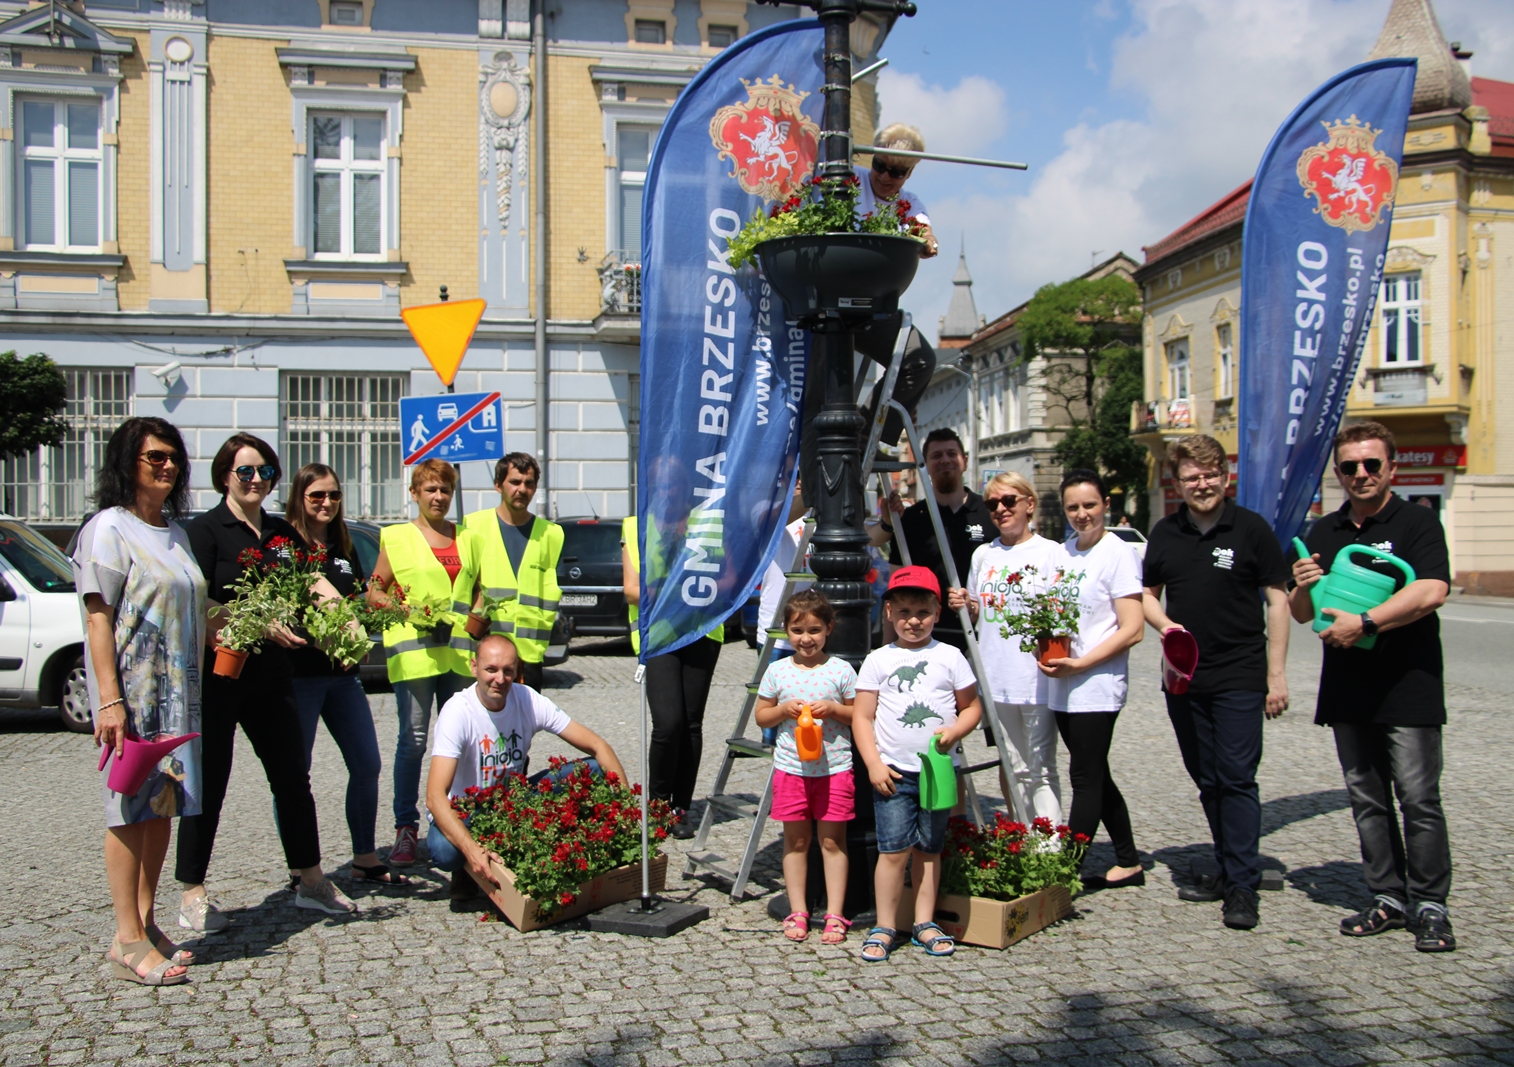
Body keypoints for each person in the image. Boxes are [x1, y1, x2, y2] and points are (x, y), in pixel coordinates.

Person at [1289, 421, 1454, 953]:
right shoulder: (1325, 530)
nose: (1360, 474)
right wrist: (1302, 588)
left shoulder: (1416, 523)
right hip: (1348, 687)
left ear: (1391, 468)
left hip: (1409, 683)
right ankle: (1388, 897)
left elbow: (1431, 590)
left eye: (1371, 465)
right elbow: (1300, 613)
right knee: (1367, 799)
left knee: (1418, 798)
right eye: (1349, 467)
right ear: (1338, 473)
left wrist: (1367, 623)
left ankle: (1431, 904)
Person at [177, 434, 355, 925]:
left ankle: (311, 879)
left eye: (266, 473)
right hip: (223, 674)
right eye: (246, 472)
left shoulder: (280, 532)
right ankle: (192, 892)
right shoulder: (205, 531)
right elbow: (196, 600)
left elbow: (311, 581)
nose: (257, 481)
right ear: (225, 477)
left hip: (274, 676)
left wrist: (342, 617)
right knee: (209, 781)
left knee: (293, 778)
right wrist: (247, 621)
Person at [1141, 436, 1290, 930]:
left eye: (1209, 475)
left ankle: (1243, 885)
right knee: (1206, 777)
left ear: (1225, 478)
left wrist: (1276, 676)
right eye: (1191, 477)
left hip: (1240, 674)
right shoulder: (1166, 531)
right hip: (1184, 678)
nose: (1201, 484)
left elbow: (1278, 600)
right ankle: (1229, 868)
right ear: (1178, 482)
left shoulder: (1251, 529)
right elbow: (1146, 594)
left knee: (1236, 777)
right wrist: (1165, 627)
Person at [75, 418, 203, 984]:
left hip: (180, 697)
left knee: (162, 809)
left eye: (174, 457)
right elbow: (97, 617)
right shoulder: (110, 528)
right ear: (129, 462)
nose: (167, 466)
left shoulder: (175, 531)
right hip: (135, 693)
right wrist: (109, 699)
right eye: (155, 457)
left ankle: (147, 922)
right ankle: (125, 938)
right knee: (128, 811)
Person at [424, 634, 627, 906]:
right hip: (469, 811)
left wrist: (627, 812)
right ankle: (465, 871)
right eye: (491, 670)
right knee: (444, 852)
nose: (500, 679)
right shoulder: (457, 712)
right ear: (474, 667)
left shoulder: (528, 699)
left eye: (509, 671)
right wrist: (471, 850)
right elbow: (435, 797)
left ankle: (574, 848)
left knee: (594, 770)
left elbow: (598, 745)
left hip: (514, 802)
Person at [283, 463, 406, 887]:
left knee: (367, 763)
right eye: (317, 495)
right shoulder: (285, 545)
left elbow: (353, 600)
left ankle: (365, 856)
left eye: (333, 495)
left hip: (342, 674)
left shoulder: (343, 546)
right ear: (299, 497)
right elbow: (281, 605)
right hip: (300, 674)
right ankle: (301, 866)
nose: (327, 503)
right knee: (295, 775)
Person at [853, 566, 982, 961]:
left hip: (937, 771)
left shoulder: (950, 656)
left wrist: (957, 732)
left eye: (922, 612)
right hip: (893, 771)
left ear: (937, 613)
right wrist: (873, 764)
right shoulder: (878, 659)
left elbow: (972, 707)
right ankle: (885, 924)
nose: (913, 620)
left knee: (929, 848)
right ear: (888, 612)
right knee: (892, 852)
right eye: (904, 611)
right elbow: (862, 716)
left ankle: (925, 921)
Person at [367, 458, 480, 867]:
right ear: (414, 494)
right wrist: (408, 613)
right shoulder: (396, 538)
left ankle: (455, 822)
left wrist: (479, 617)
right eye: (430, 489)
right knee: (413, 741)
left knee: (461, 741)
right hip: (415, 656)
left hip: (457, 654)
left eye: (445, 490)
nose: (438, 497)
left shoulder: (467, 538)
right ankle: (405, 828)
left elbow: (478, 590)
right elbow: (375, 592)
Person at [1042, 470, 1145, 889]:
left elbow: (1132, 628)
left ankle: (1067, 869)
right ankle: (1128, 860)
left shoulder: (1117, 553)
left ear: (1106, 505)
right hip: (1063, 681)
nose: (1082, 514)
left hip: (1097, 684)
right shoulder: (1064, 552)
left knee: (1084, 778)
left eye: (1089, 505)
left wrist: (1082, 665)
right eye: (1073, 507)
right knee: (1096, 771)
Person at [947, 470, 1063, 823]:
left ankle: (1049, 849)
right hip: (995, 676)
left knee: (1040, 766)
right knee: (1013, 764)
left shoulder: (1051, 553)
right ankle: (1024, 842)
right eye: (993, 503)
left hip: (1037, 676)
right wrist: (966, 604)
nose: (1000, 508)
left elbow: (1063, 615)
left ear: (1030, 504)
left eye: (1009, 500)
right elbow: (980, 613)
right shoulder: (984, 554)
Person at [621, 456, 723, 838]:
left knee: (692, 725)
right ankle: (656, 805)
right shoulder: (635, 527)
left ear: (685, 486)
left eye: (675, 483)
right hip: (660, 636)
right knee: (669, 724)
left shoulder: (706, 522)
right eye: (661, 483)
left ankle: (681, 807)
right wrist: (679, 591)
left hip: (702, 632)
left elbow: (724, 576)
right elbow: (631, 589)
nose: (669, 490)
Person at [753, 590, 857, 944]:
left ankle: (834, 913)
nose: (806, 638)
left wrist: (836, 709)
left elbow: (860, 715)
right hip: (791, 770)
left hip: (835, 769)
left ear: (828, 629)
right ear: (786, 631)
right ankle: (798, 909)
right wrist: (783, 710)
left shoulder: (841, 669)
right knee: (795, 842)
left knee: (832, 842)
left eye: (814, 630)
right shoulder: (777, 670)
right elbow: (761, 716)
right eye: (798, 631)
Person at [884, 429, 994, 653]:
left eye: (952, 454)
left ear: (964, 460)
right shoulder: (912, 519)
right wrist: (886, 647)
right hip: (926, 639)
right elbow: (895, 584)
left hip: (985, 636)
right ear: (925, 465)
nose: (945, 460)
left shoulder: (990, 513)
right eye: (936, 456)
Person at [462, 453, 564, 693]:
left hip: (529, 653)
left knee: (523, 727)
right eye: (515, 482)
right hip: (485, 649)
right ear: (498, 485)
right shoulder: (473, 526)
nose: (522, 489)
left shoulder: (551, 534)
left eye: (529, 484)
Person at [756, 480, 811, 746]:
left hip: (816, 634)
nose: (800, 481)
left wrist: (887, 525)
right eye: (795, 474)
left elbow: (873, 536)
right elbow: (785, 514)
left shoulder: (820, 515)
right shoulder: (765, 508)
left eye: (805, 474)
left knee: (812, 719)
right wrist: (816, 486)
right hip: (777, 635)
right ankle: (780, 782)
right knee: (776, 727)